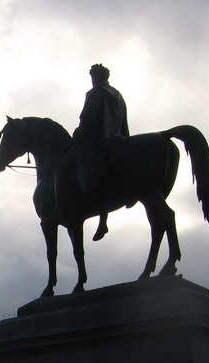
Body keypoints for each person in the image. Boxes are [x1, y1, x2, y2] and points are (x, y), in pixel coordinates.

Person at [72, 63, 129, 241]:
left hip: (99, 141)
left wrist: (78, 132)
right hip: (117, 138)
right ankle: (102, 219)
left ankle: (77, 198)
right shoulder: (118, 95)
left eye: (92, 77)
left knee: (74, 164)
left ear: (95, 77)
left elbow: (86, 118)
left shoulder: (95, 93)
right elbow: (124, 120)